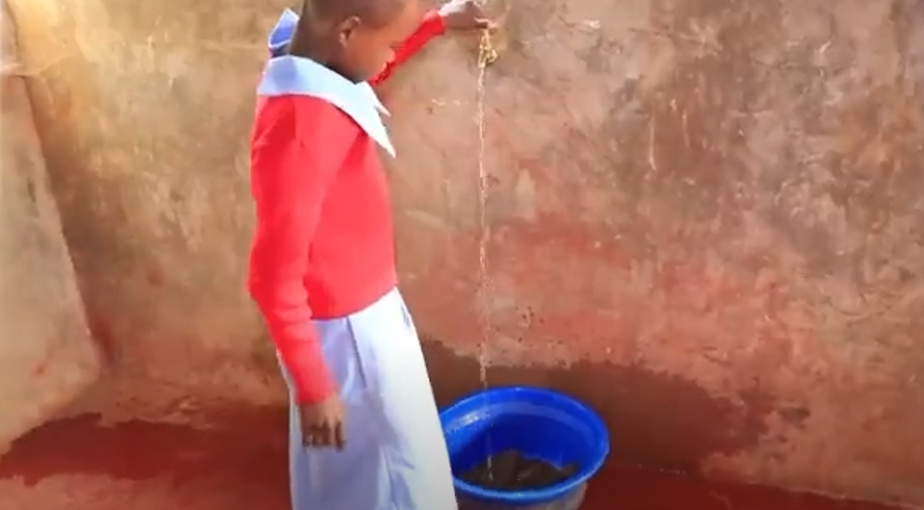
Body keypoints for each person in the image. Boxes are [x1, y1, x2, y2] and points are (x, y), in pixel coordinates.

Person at [246, 0, 493, 509]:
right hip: (349, 341)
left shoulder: (307, 67)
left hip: (363, 317)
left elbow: (359, 72)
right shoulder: (301, 134)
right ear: (347, 31)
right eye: (388, 45)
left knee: (373, 466)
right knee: (388, 472)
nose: (389, 60)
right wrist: (315, 389)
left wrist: (440, 22)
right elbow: (271, 280)